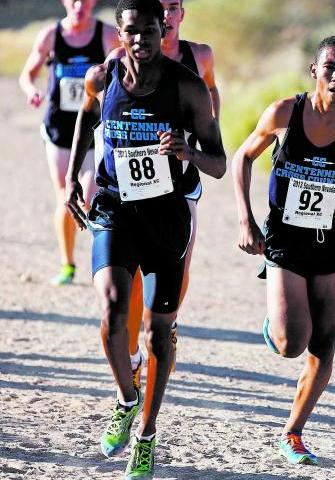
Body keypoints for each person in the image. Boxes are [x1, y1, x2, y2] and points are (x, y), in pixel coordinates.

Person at [65, 0, 226, 478]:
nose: (141, 40)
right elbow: (86, 116)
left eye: (150, 30)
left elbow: (218, 161)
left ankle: (147, 435)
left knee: (158, 333)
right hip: (115, 207)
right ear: (119, 32)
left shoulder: (188, 87)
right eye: (132, 31)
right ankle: (126, 398)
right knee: (113, 311)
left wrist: (187, 151)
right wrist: (74, 176)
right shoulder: (103, 75)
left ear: (164, 30)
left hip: (165, 217)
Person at [232, 35, 335, 465]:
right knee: (292, 343)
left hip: (334, 244)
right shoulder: (285, 113)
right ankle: (276, 325)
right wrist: (246, 219)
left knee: (325, 343)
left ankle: (293, 432)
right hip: (285, 240)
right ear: (314, 71)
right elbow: (243, 158)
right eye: (330, 67)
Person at [108, 0, 222, 391]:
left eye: (173, 8)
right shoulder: (116, 62)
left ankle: (165, 322)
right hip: (128, 187)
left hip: (180, 177)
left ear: (177, 16)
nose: (168, 17)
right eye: (162, 9)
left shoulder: (198, 56)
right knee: (129, 277)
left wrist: (193, 140)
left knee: (177, 264)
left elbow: (211, 101)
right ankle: (137, 351)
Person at [19, 0, 118, 285]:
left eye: (85, 1)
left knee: (88, 195)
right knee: (65, 195)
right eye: (74, 0)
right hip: (60, 131)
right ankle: (67, 263)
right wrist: (32, 91)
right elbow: (29, 74)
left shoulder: (107, 34)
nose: (79, 6)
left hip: (93, 128)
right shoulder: (51, 35)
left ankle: (104, 262)